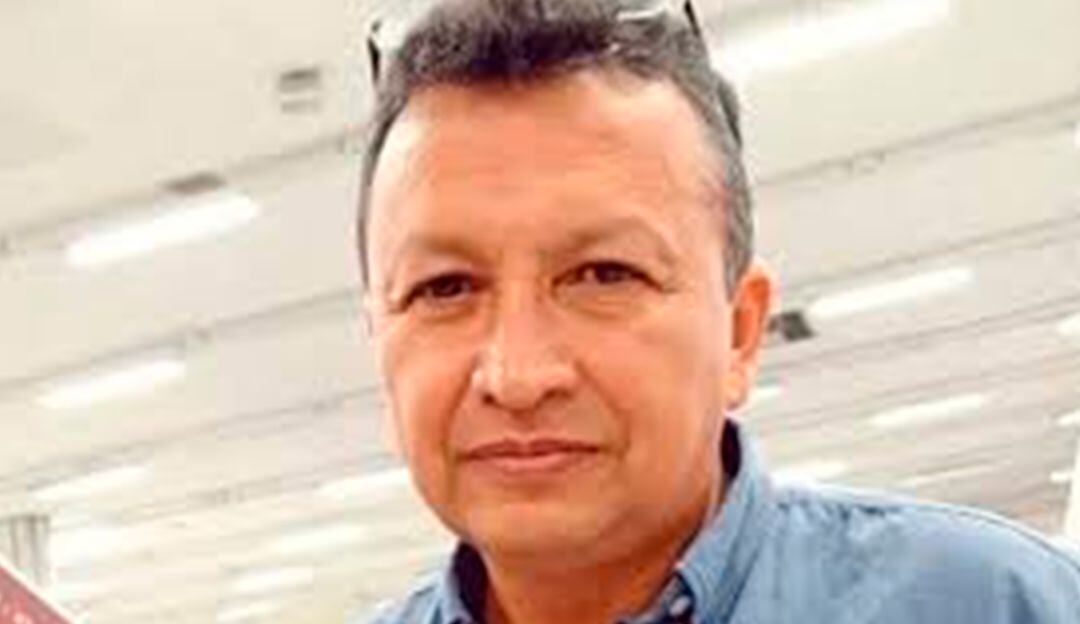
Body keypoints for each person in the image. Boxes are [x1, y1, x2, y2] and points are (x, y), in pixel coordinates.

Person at [353, 1, 1080, 622]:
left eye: (605, 274)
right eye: (443, 288)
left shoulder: (998, 604)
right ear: (379, 339)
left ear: (740, 332)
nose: (518, 376)